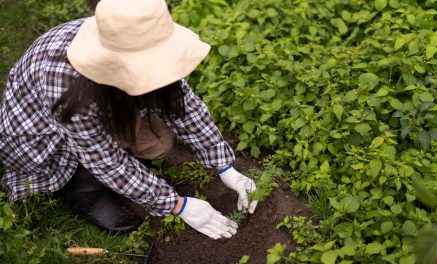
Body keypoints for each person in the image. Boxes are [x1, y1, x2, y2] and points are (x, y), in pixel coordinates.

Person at [0, 0, 258, 239]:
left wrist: (225, 167)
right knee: (100, 161)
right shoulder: (68, 86)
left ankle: (132, 176)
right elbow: (104, 159)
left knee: (158, 144)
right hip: (45, 135)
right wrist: (179, 205)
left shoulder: (137, 34)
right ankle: (85, 194)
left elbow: (184, 106)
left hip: (106, 106)